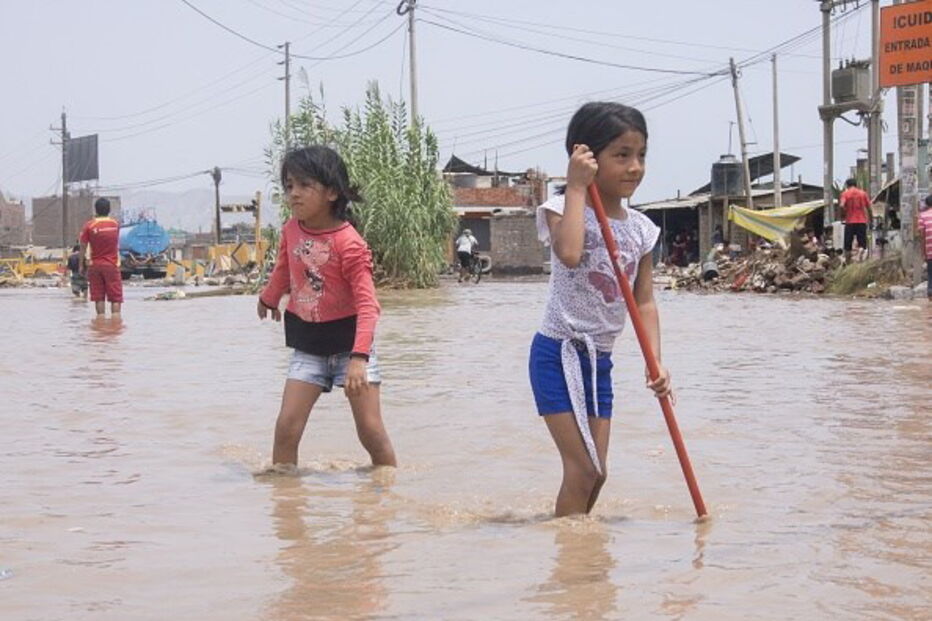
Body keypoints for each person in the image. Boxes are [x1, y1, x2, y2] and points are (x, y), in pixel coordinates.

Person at [528, 102, 670, 517]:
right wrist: (575, 187)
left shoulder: (643, 229)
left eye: (641, 155)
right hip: (559, 353)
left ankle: (577, 550)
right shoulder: (562, 209)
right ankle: (572, 568)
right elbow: (570, 253)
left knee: (598, 473)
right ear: (586, 156)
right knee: (584, 469)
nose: (634, 167)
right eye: (621, 155)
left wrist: (655, 360)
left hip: (599, 362)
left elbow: (643, 300)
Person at [257, 145, 396, 469]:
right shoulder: (291, 230)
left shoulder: (349, 243)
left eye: (305, 185)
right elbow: (284, 268)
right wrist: (269, 296)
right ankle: (286, 501)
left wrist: (359, 359)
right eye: (289, 185)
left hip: (352, 348)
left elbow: (368, 305)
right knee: (286, 427)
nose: (294, 194)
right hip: (309, 345)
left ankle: (388, 493)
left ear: (332, 192)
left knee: (371, 431)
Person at [79, 198, 122, 316]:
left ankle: (100, 323)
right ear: (109, 210)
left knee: (99, 298)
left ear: (96, 210)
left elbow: (82, 247)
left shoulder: (89, 225)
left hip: (95, 266)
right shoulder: (115, 224)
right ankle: (115, 324)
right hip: (112, 265)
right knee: (116, 298)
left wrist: (81, 266)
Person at [839, 178, 871, 261]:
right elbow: (869, 207)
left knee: (847, 245)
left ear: (847, 185)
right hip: (861, 221)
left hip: (850, 221)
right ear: (856, 184)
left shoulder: (845, 194)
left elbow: (842, 205)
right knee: (862, 244)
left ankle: (848, 262)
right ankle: (862, 260)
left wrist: (843, 214)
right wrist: (871, 218)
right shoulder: (863, 193)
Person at [919, 194, 932, 301]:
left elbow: (922, 237)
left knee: (930, 276)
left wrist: (923, 252)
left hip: (930, 250)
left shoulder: (923, 216)